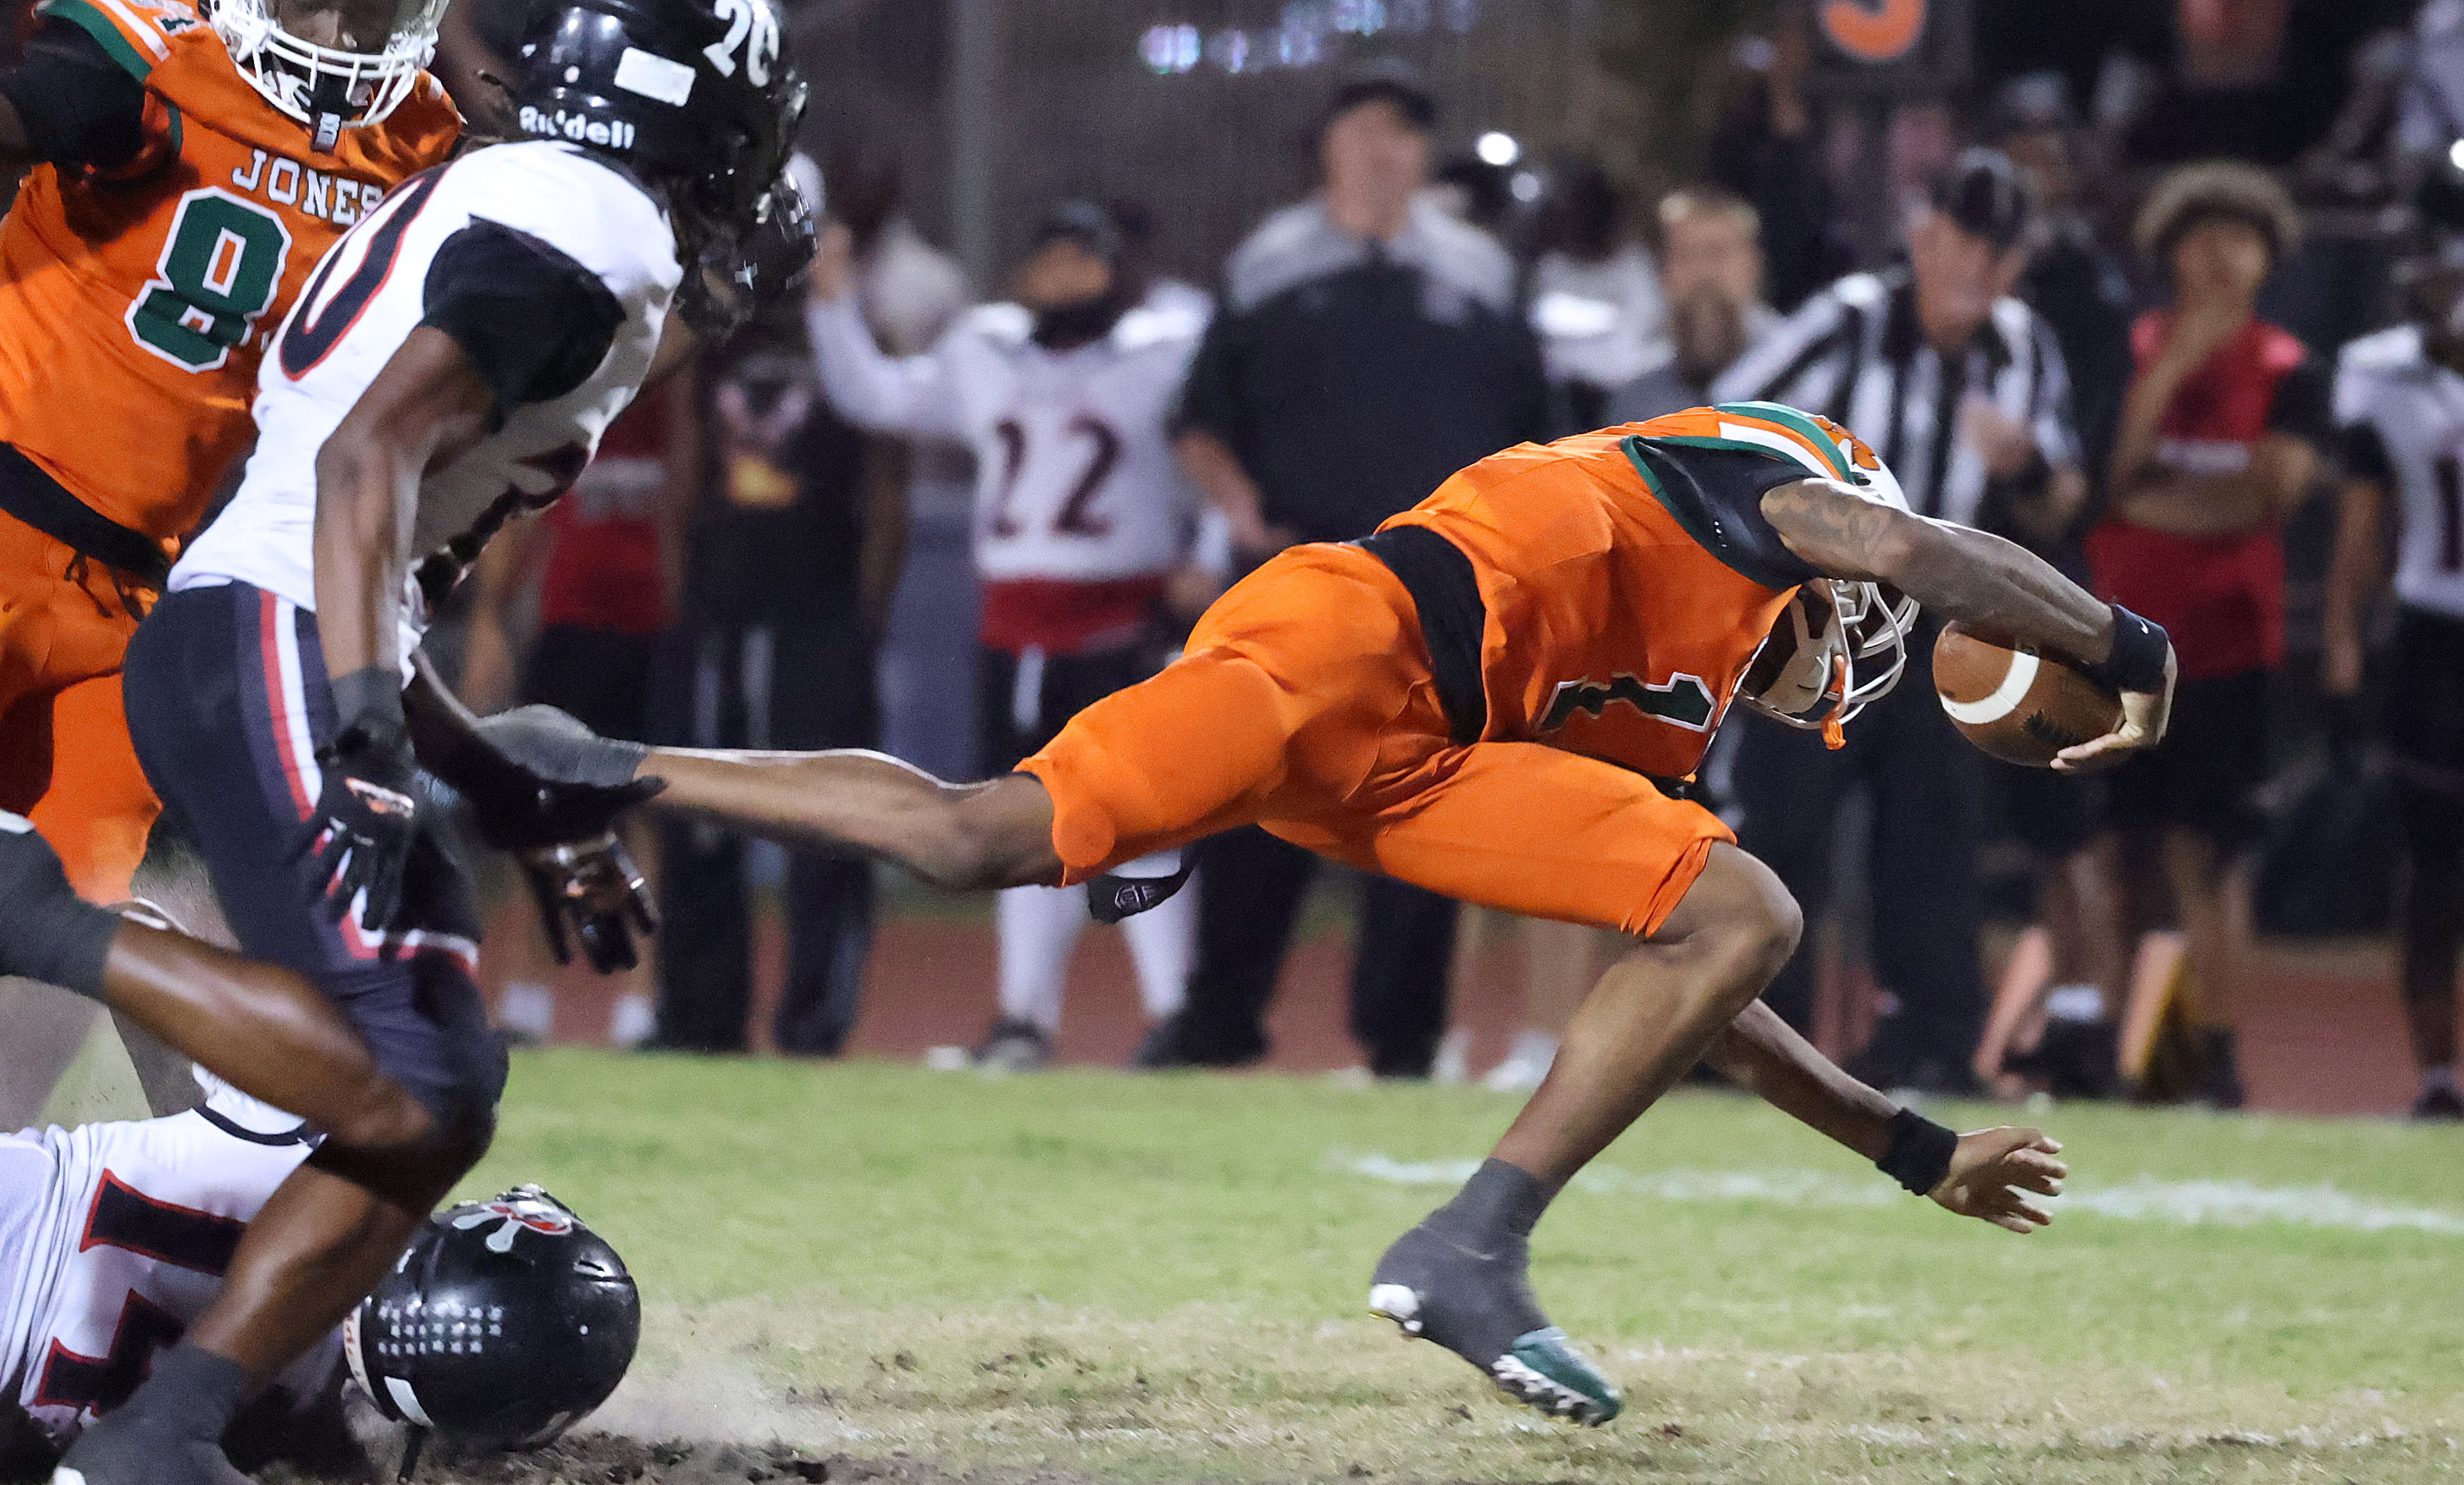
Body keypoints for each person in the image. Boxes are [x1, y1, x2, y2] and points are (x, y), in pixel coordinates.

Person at [487, 400, 2173, 1424]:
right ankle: (599, 754)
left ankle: (1470, 1246)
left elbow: (1695, 982)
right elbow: (1910, 544)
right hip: (1348, 645)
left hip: (1426, 761)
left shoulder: (1676, 685)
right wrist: (2122, 642)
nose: (1857, 637)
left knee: (1731, 908)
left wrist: (1904, 1144)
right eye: (1860, 605)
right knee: (978, 836)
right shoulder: (1752, 492)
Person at [59, 2, 807, 1477]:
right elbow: (363, 462)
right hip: (279, 631)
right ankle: (40, 925)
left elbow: (379, 515)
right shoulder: (591, 224)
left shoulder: (531, 194)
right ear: (692, 109)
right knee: (408, 1079)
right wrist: (350, 715)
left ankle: (193, 1419)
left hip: (280, 629)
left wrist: (484, 769)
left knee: (426, 1085)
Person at [0, 0, 461, 1123]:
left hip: (136, 601)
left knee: (37, 1000)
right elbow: (51, 95)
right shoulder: (161, 42)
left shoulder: (425, 143)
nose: (348, 23)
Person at [1155, 58, 1552, 1078]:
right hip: (1299, 576)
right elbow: (1200, 420)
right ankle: (1219, 1020)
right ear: (1329, 145)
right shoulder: (1268, 265)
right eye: (1368, 128)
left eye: (1405, 133)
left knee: (1420, 811)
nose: (1386, 150)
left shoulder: (1482, 271)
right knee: (1255, 796)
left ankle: (1404, 1043)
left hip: (1439, 590)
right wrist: (1241, 517)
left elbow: (1535, 437)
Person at [1713, 150, 2090, 1094]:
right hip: (1819, 611)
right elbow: (1722, 422)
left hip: (1937, 627)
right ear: (1924, 239)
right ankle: (1757, 1035)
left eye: (1997, 252)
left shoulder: (2024, 345)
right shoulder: (1847, 321)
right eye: (1962, 241)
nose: (1977, 268)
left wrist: (2028, 468)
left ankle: (1931, 1041)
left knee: (1935, 839)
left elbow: (2064, 501)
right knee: (1785, 826)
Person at [807, 199, 1210, 1070]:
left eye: (1087, 262)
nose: (1069, 279)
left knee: (1150, 814)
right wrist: (831, 302)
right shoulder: (982, 351)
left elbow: (1224, 452)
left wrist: (1207, 553)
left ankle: (1176, 1015)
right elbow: (872, 394)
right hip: (1019, 624)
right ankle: (1023, 1015)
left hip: (1129, 617)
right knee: (1029, 814)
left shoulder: (1167, 349)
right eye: (1054, 261)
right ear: (1026, 274)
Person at [2087, 162, 2331, 1108]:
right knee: (2120, 855)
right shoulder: (2131, 347)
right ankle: (2126, 1045)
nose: (2222, 255)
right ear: (2169, 252)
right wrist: (2172, 373)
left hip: (2225, 646)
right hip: (2114, 636)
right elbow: (2108, 477)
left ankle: (2215, 1050)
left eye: (2243, 236)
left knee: (2208, 854)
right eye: (2202, 236)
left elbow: (2268, 494)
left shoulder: (2289, 369)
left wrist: (2154, 503)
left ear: (2270, 255)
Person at [647, 320, 895, 1058]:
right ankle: (700, 1020)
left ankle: (814, 1023)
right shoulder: (706, 338)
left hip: (815, 623)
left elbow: (886, 492)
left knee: (827, 826)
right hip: (717, 621)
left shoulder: (847, 345)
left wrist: (862, 620)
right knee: (696, 818)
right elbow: (683, 475)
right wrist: (682, 607)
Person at [2323, 239, 2464, 1120]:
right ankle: (2440, 1076)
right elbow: (2360, 533)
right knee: (2436, 867)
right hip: (2436, 639)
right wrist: (2342, 652)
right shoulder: (2386, 375)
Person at [1611, 188, 1782, 424]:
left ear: (1753, 265)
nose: (1703, 271)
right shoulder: (1634, 392)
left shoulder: (1806, 377)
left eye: (1717, 252)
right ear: (1664, 272)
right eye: (1687, 254)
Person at [1528, 156, 1667, 432]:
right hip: (1556, 403)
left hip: (1625, 403)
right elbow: (1538, 341)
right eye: (1580, 212)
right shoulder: (1551, 271)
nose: (1587, 221)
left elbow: (1629, 353)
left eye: (1596, 212)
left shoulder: (1635, 269)